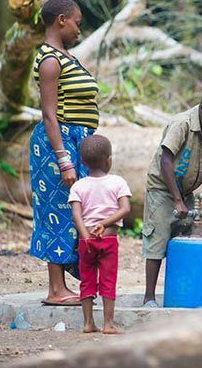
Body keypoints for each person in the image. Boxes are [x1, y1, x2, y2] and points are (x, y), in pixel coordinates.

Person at [29, 0, 99, 306]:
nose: (79, 30)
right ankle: (55, 289)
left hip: (76, 141)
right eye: (77, 23)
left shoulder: (64, 56)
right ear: (61, 20)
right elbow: (49, 113)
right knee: (57, 210)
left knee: (78, 208)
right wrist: (63, 158)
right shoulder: (50, 60)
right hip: (58, 143)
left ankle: (76, 276)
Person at [141, 88, 202, 307]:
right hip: (163, 190)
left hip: (186, 191)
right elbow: (166, 160)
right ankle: (149, 297)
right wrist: (177, 200)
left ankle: (186, 290)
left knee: (189, 238)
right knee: (157, 240)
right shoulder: (181, 124)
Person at [69, 135, 131, 334]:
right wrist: (104, 224)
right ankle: (108, 324)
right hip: (109, 240)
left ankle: (88, 323)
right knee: (108, 279)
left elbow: (76, 214)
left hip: (85, 241)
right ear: (109, 160)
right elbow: (125, 209)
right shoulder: (117, 182)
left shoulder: (78, 185)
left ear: (84, 162)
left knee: (87, 280)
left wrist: (85, 235)